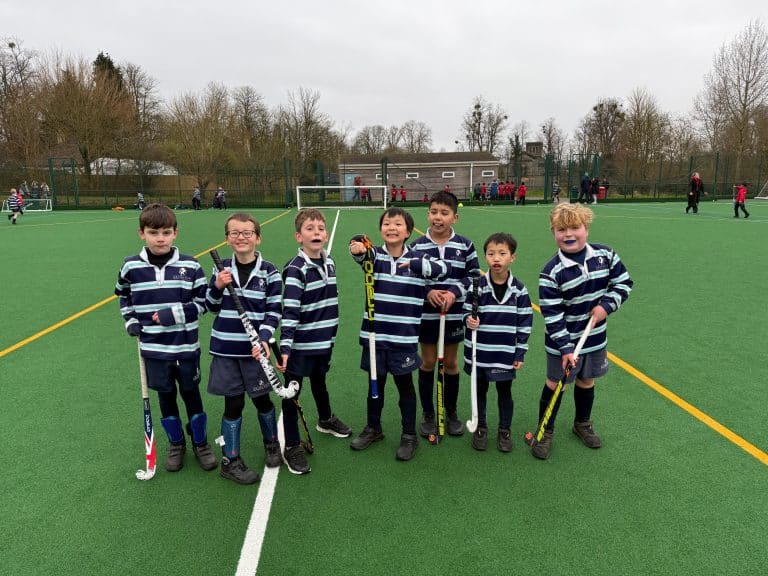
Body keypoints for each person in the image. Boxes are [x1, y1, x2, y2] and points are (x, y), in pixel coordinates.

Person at [205, 213, 310, 480]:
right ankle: (230, 460)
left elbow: (274, 311)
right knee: (234, 403)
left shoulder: (270, 272)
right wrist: (217, 286)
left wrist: (263, 338)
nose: (241, 237)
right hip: (226, 350)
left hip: (256, 352)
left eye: (247, 233)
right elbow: (210, 306)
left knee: (262, 399)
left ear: (258, 238)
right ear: (227, 239)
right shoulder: (221, 269)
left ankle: (271, 444)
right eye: (235, 233)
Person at [115, 203, 217, 474]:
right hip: (153, 349)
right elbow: (123, 296)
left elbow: (203, 303)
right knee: (166, 397)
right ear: (141, 233)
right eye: (153, 232)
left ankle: (201, 443)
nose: (160, 238)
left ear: (175, 233)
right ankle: (176, 444)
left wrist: (172, 314)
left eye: (166, 232)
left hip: (185, 347)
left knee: (191, 395)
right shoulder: (131, 266)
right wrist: (131, 320)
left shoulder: (190, 265)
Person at [532, 203, 633, 460]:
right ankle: (545, 430)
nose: (568, 234)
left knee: (587, 380)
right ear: (553, 232)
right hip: (562, 343)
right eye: (561, 229)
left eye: (575, 228)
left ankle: (582, 423)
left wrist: (606, 307)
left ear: (586, 229)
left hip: (594, 339)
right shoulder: (551, 272)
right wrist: (566, 348)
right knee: (557, 384)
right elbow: (552, 316)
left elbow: (623, 283)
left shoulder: (605, 255)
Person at [348, 207, 450, 461]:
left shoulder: (418, 258)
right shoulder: (375, 257)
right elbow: (359, 250)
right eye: (386, 224)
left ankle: (409, 435)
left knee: (405, 387)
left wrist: (417, 264)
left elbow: (442, 269)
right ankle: (374, 428)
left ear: (407, 232)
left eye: (397, 224)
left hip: (403, 338)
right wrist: (356, 246)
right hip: (375, 338)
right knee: (375, 385)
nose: (391, 228)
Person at [274, 209, 352, 446]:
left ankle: (325, 419)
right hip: (301, 346)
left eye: (320, 229)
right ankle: (291, 444)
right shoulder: (296, 269)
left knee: (320, 381)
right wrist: (285, 347)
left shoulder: (330, 262)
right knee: (292, 392)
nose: (316, 232)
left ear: (326, 235)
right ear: (299, 237)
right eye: (310, 228)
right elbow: (290, 311)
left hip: (324, 342)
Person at [409, 191, 480, 440]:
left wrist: (453, 292)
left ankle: (451, 412)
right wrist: (427, 292)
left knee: (450, 362)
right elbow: (410, 278)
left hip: (453, 314)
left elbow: (473, 276)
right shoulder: (416, 247)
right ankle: (429, 413)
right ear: (428, 214)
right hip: (427, 315)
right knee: (428, 361)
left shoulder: (465, 245)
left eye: (444, 213)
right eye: (433, 212)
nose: (438, 217)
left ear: (455, 218)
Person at [464, 232, 532, 452]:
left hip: (504, 353)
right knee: (479, 391)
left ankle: (504, 430)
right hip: (479, 352)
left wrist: (520, 352)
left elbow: (525, 323)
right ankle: (481, 426)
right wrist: (468, 320)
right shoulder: (476, 286)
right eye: (491, 253)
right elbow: (465, 312)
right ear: (485, 257)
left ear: (512, 257)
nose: (496, 258)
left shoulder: (519, 290)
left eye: (502, 253)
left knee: (505, 392)